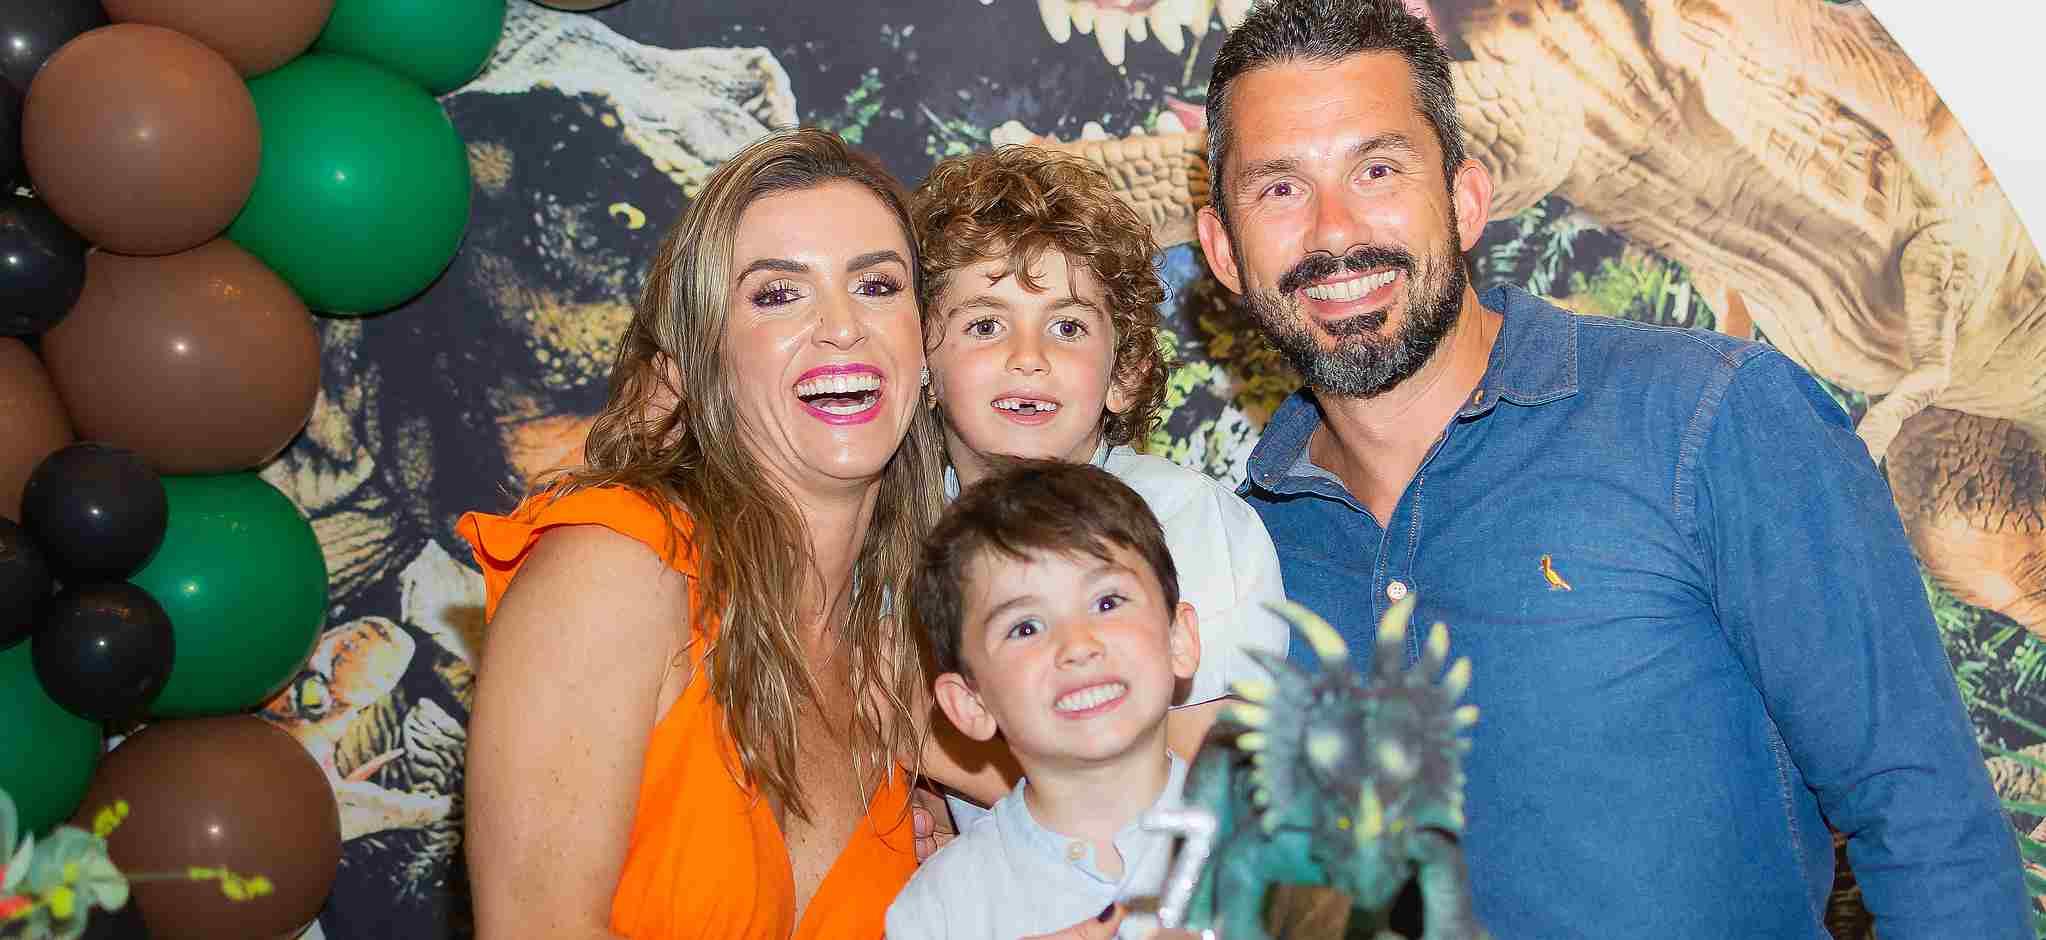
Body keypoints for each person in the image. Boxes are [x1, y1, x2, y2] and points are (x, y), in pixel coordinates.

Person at [1191, 0, 2031, 936]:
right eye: (1280, 189)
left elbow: (1928, 826)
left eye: (1377, 169)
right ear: (1223, 249)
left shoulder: (1712, 420)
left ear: (1466, 202)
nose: (1334, 231)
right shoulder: (1240, 554)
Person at [457, 128, 950, 939]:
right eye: (776, 294)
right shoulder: (618, 567)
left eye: (877, 285)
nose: (842, 327)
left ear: (925, 349)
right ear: (696, 364)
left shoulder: (900, 667)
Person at [912, 146, 1288, 773]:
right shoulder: (902, 533)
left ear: (1124, 374)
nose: (1028, 357)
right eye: (985, 326)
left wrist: (914, 743)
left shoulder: (1186, 521)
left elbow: (1200, 787)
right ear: (922, 366)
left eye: (1067, 327)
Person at [888, 459, 1200, 940]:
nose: (1077, 645)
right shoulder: (938, 911)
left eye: (1107, 602)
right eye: (1026, 628)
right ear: (970, 703)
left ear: (1179, 639)